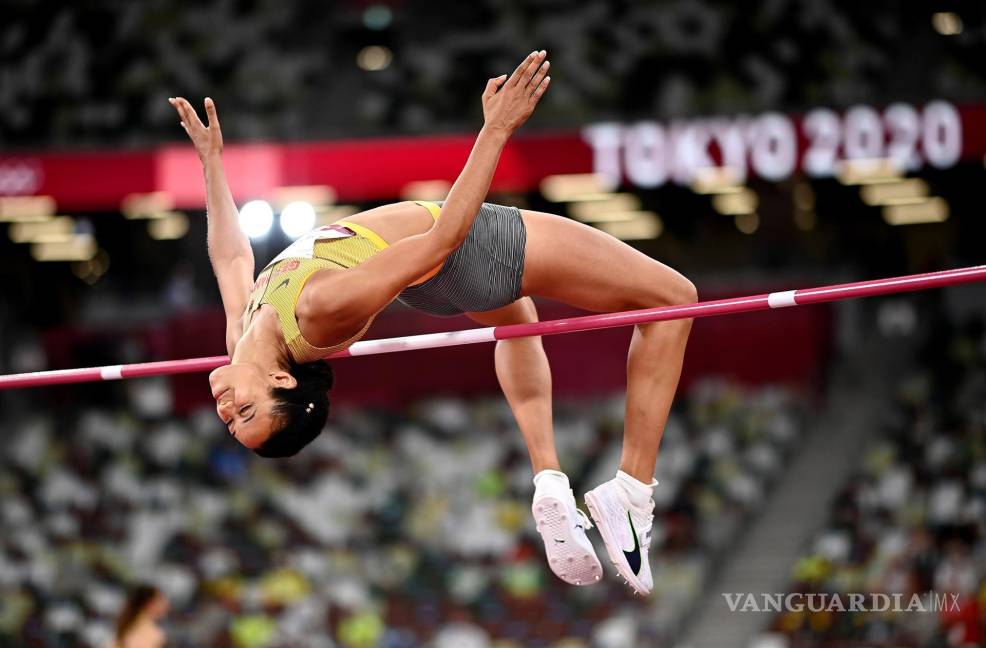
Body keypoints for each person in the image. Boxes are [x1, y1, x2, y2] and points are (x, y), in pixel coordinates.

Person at [169, 50, 696, 595]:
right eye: (245, 412)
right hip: (468, 250)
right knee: (673, 298)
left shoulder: (245, 336)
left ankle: (549, 478)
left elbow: (232, 259)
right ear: (281, 381)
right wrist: (495, 130)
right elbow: (441, 241)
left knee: (519, 321)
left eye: (232, 421)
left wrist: (210, 165)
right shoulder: (315, 312)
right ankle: (632, 493)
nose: (225, 410)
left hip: (440, 285)